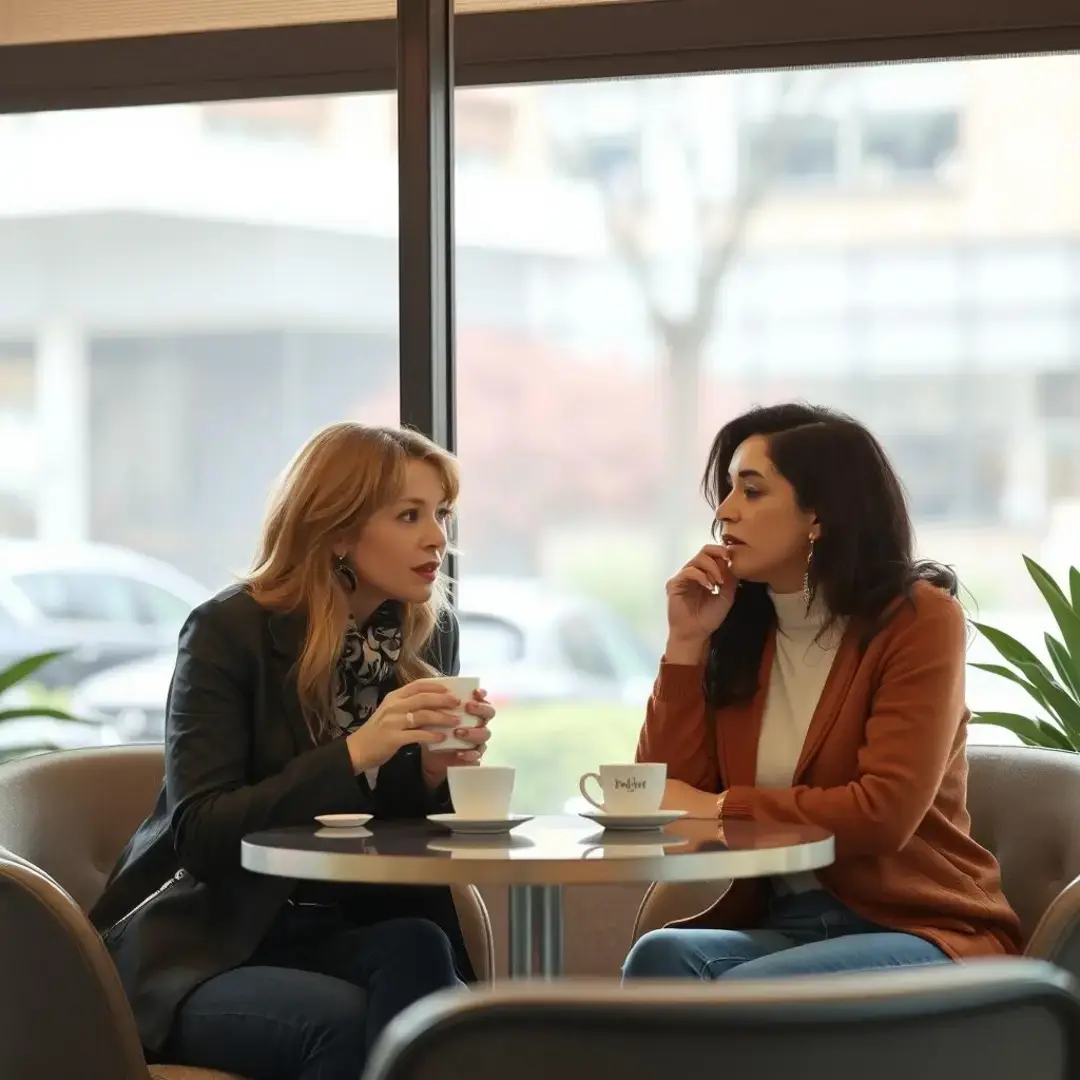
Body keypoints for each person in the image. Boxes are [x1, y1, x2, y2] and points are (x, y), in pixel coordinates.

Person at [89, 423, 496, 1079]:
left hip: (327, 931)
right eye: (410, 515)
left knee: (428, 968)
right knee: (342, 1028)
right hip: (208, 946)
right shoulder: (228, 632)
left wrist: (430, 774)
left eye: (442, 515)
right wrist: (358, 750)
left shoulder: (415, 638)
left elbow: (388, 836)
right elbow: (203, 833)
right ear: (337, 530)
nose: (437, 538)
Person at [622, 403, 1023, 983]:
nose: (725, 512)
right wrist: (685, 643)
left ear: (819, 516)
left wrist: (717, 810)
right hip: (794, 921)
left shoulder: (919, 620)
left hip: (922, 929)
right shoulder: (742, 628)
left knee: (745, 989)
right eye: (728, 489)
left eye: (752, 492)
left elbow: (882, 813)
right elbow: (663, 799)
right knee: (659, 957)